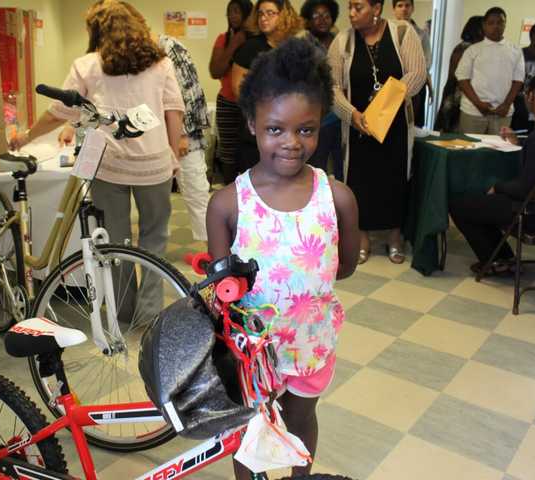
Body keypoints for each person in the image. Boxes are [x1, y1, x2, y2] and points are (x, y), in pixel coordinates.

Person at [206, 37, 360, 479]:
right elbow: (223, 293)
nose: (291, 142)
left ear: (320, 125)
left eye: (305, 130)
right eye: (275, 129)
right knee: (252, 427)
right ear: (252, 124)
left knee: (301, 420)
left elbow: (342, 268)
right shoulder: (228, 205)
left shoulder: (339, 199)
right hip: (253, 350)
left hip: (310, 343)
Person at [10, 1, 184, 314]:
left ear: (96, 30)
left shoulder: (88, 65)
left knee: (116, 242)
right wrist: (172, 154)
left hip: (110, 166)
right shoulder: (160, 63)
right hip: (154, 165)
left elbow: (57, 112)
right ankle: (150, 312)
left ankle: (124, 311)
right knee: (154, 239)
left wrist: (26, 137)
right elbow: (174, 110)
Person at [327, 0, 425, 264]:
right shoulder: (342, 41)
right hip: (358, 128)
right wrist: (352, 114)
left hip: (395, 129)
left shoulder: (403, 32)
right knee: (359, 182)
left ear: (377, 8)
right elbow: (332, 87)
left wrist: (386, 103)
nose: (351, 13)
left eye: (358, 7)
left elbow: (417, 74)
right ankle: (362, 238)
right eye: (350, 7)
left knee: (395, 181)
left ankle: (395, 237)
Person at [449, 64, 535, 274]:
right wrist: (520, 142)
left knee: (460, 203)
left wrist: (497, 187)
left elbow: (524, 189)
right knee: (484, 203)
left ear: (532, 96)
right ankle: (503, 258)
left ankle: (498, 260)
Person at [231, 0, 304, 177]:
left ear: (284, 15)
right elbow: (238, 89)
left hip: (292, 128)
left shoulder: (296, 46)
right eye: (261, 14)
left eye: (270, 13)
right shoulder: (250, 47)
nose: (264, 18)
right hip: (259, 127)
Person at [456, 7, 524, 135]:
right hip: (473, 111)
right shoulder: (473, 50)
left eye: (500, 22)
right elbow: (462, 79)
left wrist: (506, 104)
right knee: (470, 151)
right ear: (484, 25)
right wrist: (478, 104)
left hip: (503, 112)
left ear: (505, 24)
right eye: (491, 23)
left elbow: (518, 80)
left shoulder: (515, 50)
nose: (496, 26)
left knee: (498, 151)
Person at [210, 0, 254, 185]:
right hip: (227, 101)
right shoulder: (223, 39)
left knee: (249, 149)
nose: (233, 16)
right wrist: (234, 44)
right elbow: (215, 71)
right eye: (230, 12)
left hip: (250, 104)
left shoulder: (256, 42)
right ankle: (229, 192)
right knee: (227, 152)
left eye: (237, 12)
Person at [301, 0, 344, 181]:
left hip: (341, 116)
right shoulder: (302, 45)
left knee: (342, 168)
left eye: (326, 16)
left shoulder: (341, 43)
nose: (322, 20)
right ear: (308, 20)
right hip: (315, 118)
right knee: (315, 169)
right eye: (316, 16)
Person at [435, 15, 484, 132]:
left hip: (465, 95)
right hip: (458, 94)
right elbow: (457, 76)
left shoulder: (477, 48)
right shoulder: (465, 48)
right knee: (453, 131)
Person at [392, 0, 431, 127]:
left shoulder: (421, 34)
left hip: (416, 84)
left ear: (413, 8)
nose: (404, 9)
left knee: (413, 123)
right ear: (394, 9)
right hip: (392, 82)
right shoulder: (386, 31)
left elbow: (426, 61)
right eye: (400, 6)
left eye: (407, 5)